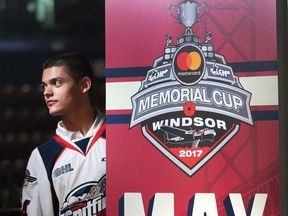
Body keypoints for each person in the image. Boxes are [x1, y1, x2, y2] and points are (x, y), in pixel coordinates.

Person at [20, 52, 106, 216]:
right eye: (44, 86)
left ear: (84, 85)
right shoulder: (42, 156)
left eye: (56, 83)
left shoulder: (119, 135)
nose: (47, 92)